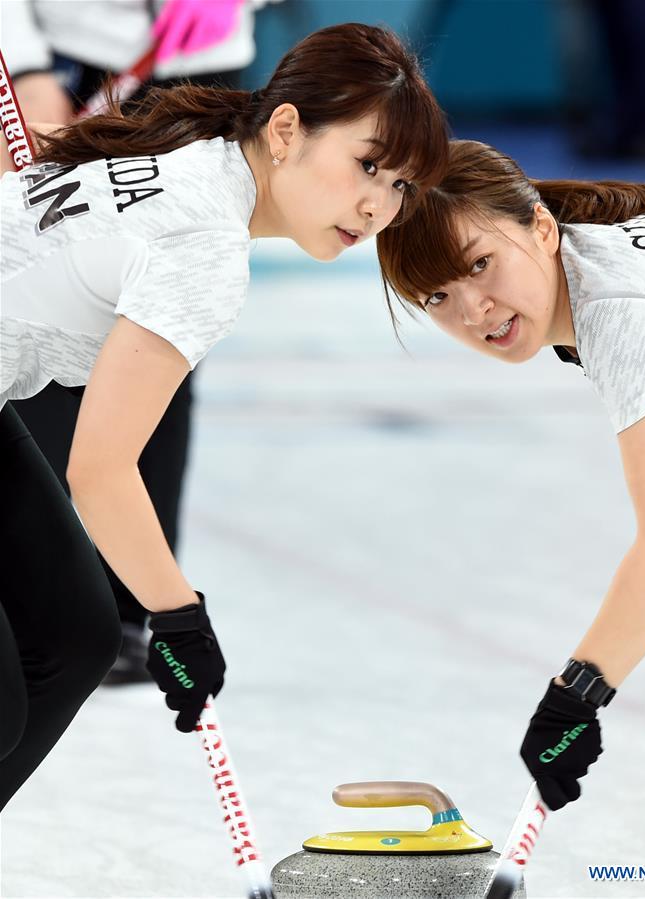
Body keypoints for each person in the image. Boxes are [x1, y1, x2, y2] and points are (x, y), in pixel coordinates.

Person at [0, 21, 449, 812]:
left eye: (401, 186)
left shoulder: (195, 152)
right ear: (285, 131)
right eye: (367, 165)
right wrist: (180, 616)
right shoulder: (203, 247)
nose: (378, 205)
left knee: (72, 638)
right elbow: (99, 472)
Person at [376, 140, 645, 811]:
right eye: (437, 296)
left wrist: (574, 696)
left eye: (479, 265)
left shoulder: (619, 309)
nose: (473, 311)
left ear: (541, 229)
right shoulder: (586, 260)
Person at [1, 0, 283, 685]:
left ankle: (131, 610)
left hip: (199, 65)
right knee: (51, 305)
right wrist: (27, 59)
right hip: (64, 57)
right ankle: (33, 598)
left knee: (164, 344)